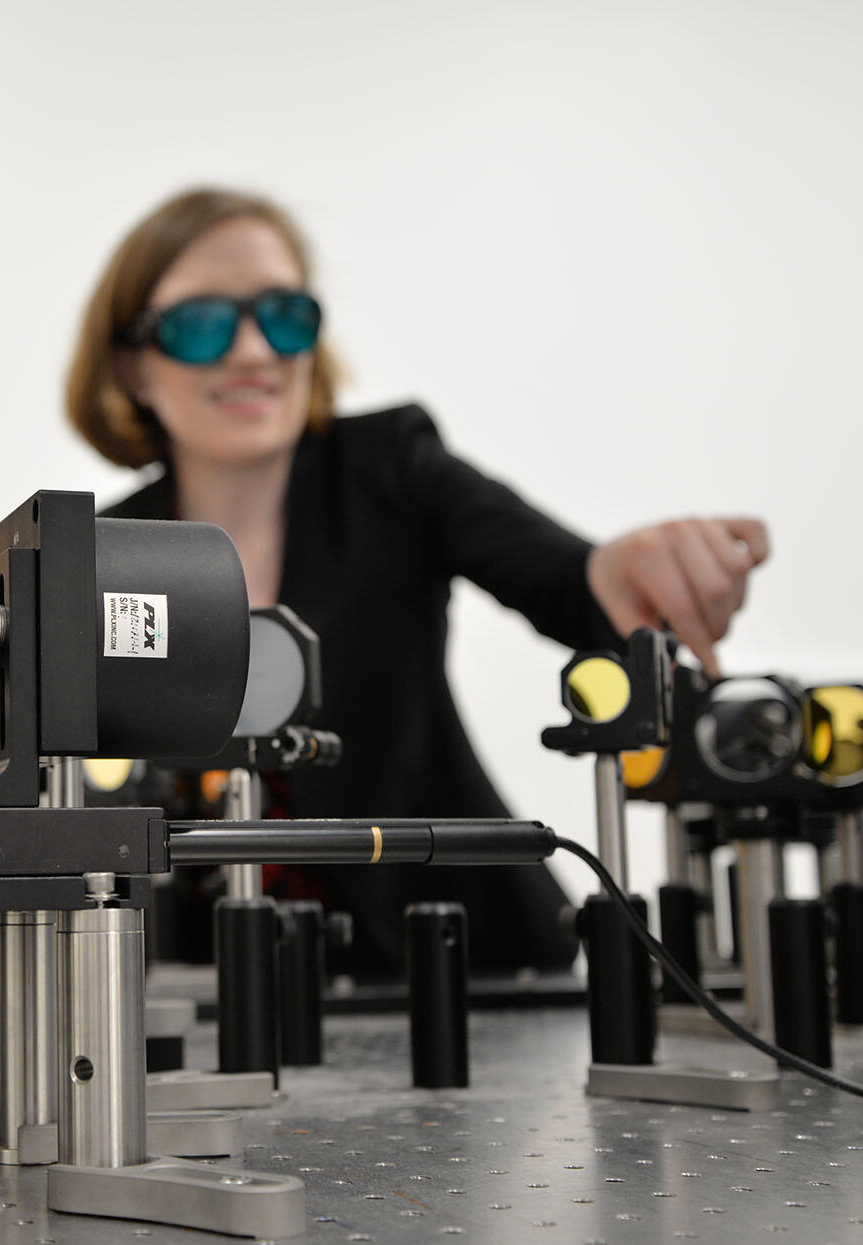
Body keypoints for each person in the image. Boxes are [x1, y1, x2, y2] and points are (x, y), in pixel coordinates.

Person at [66, 187, 769, 978]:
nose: (256, 351)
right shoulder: (96, 554)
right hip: (216, 995)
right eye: (200, 325)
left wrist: (623, 569)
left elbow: (572, 582)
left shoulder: (391, 468)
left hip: (466, 968)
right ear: (132, 366)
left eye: (285, 315)